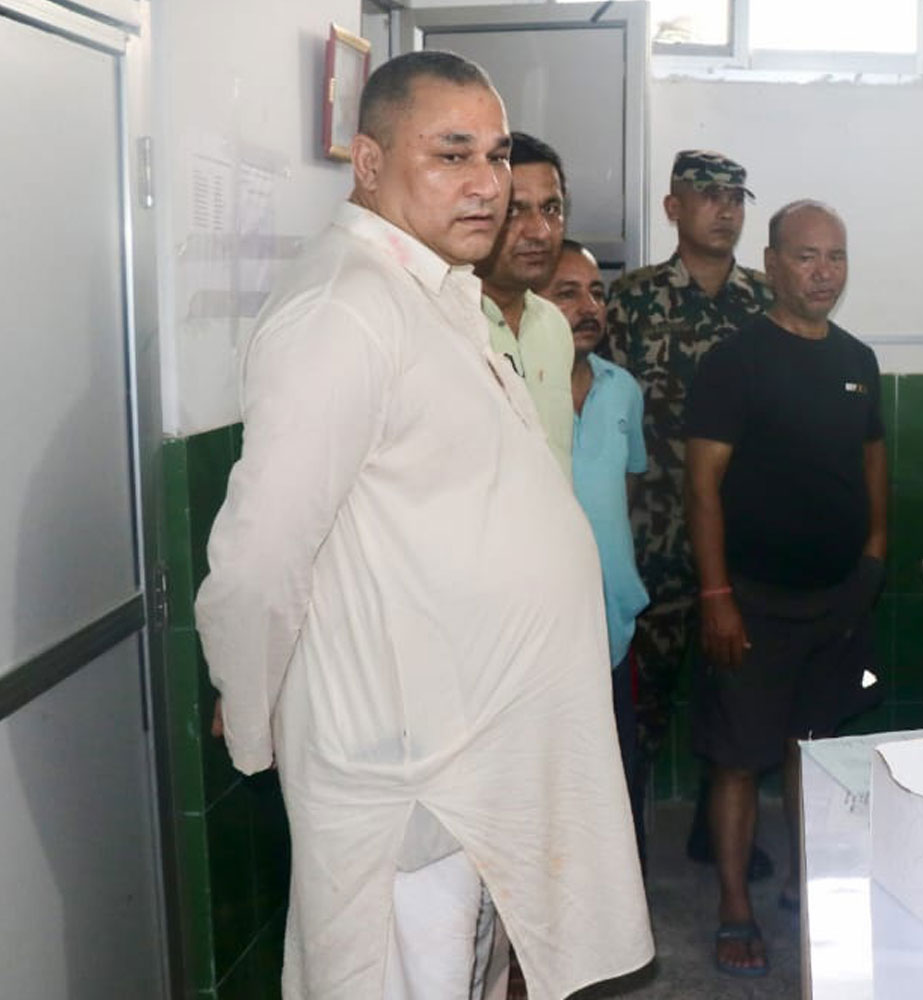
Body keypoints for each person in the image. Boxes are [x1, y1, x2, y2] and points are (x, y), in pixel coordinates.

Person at [194, 51, 652, 998]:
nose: (487, 184)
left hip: (471, 762)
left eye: (496, 154)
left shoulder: (429, 290)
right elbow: (260, 553)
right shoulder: (342, 309)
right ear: (368, 162)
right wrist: (252, 703)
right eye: (451, 154)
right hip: (405, 772)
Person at [683, 200, 887, 977]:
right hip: (751, 602)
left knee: (816, 750)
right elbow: (702, 486)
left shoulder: (858, 360)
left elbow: (873, 467)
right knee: (738, 759)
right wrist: (716, 597)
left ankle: (809, 884)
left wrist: (872, 560)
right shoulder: (734, 362)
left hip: (836, 601)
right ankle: (736, 908)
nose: (824, 273)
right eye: (806, 256)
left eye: (836, 257)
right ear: (771, 265)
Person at [604, 149, 777, 877]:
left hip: (740, 539)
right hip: (649, 537)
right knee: (638, 707)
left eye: (735, 197)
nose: (725, 209)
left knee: (735, 698)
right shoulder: (630, 300)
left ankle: (718, 832)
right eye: (707, 196)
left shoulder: (766, 300)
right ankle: (623, 859)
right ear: (673, 207)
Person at [542, 238, 653, 861]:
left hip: (611, 628)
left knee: (617, 785)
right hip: (540, 635)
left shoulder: (622, 389)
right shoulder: (511, 389)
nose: (589, 308)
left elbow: (625, 491)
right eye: (567, 293)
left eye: (596, 293)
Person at [477, 131, 576, 476]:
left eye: (551, 209)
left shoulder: (554, 325)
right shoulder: (443, 322)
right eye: (514, 210)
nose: (539, 231)